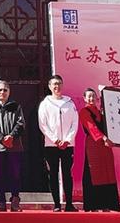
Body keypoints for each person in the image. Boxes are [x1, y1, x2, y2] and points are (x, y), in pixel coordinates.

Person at [37, 74, 78, 212]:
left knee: (67, 174)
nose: (57, 86)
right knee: (53, 173)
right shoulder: (45, 104)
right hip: (51, 145)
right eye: (54, 84)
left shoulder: (70, 103)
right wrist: (55, 139)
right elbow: (43, 125)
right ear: (49, 86)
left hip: (67, 145)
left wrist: (67, 139)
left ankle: (69, 204)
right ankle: (56, 204)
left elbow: (74, 123)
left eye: (59, 83)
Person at [0, 80, 25, 212]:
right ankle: (1, 202)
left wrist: (11, 136)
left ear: (9, 92)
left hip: (15, 146)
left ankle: (15, 201)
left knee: (15, 174)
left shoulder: (16, 106)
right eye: (0, 90)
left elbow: (21, 124)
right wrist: (2, 138)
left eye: (5, 90)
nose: (2, 92)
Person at [78, 88, 120, 212]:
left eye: (93, 96)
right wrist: (104, 138)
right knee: (93, 173)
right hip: (93, 144)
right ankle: (93, 205)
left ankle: (106, 204)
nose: (91, 98)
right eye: (89, 96)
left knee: (107, 173)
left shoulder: (102, 112)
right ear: (84, 98)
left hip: (105, 146)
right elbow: (92, 128)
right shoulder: (84, 111)